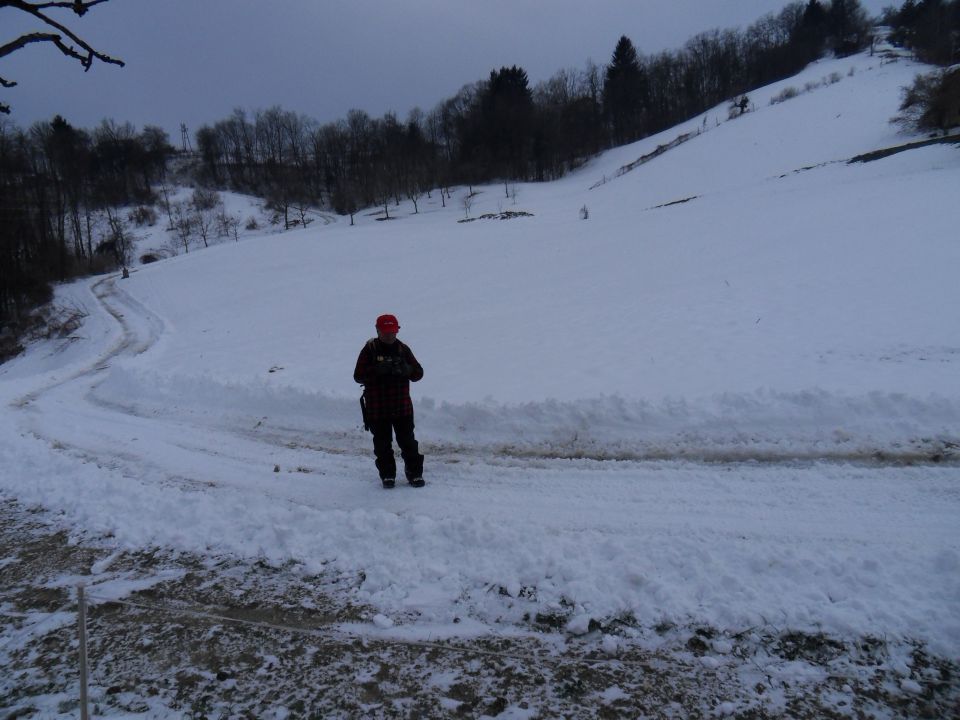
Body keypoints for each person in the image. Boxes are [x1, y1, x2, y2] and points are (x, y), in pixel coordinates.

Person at [354, 314, 425, 489]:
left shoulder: (403, 349)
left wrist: (407, 369)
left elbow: (419, 373)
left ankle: (415, 474)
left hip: (402, 408)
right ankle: (387, 475)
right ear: (377, 331)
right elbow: (358, 376)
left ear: (397, 330)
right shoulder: (369, 349)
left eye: (392, 331)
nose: (389, 335)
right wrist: (376, 370)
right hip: (377, 409)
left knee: (408, 442)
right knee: (382, 444)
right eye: (385, 332)